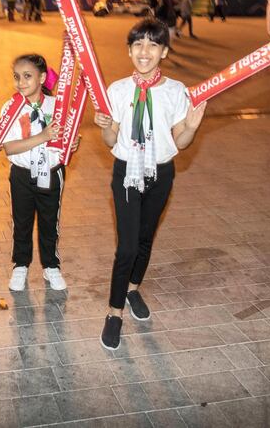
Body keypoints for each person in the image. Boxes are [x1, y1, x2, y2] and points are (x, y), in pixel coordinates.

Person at [94, 18, 206, 351]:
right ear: (129, 51)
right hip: (126, 170)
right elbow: (110, 138)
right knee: (126, 246)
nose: (145, 52)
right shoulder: (116, 90)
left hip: (161, 173)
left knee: (145, 239)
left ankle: (132, 289)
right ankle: (114, 312)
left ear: (164, 51)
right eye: (138, 45)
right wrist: (103, 124)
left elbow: (181, 143)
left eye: (153, 45)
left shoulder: (176, 91)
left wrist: (193, 127)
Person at [2, 54, 74, 293]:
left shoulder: (58, 106)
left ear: (42, 78)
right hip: (22, 174)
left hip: (52, 173)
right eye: (16, 77)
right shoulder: (11, 107)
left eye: (27, 76)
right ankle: (20, 265)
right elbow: (9, 147)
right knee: (21, 221)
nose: (20, 82)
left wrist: (72, 143)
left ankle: (51, 265)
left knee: (49, 221)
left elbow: (67, 137)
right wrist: (41, 137)